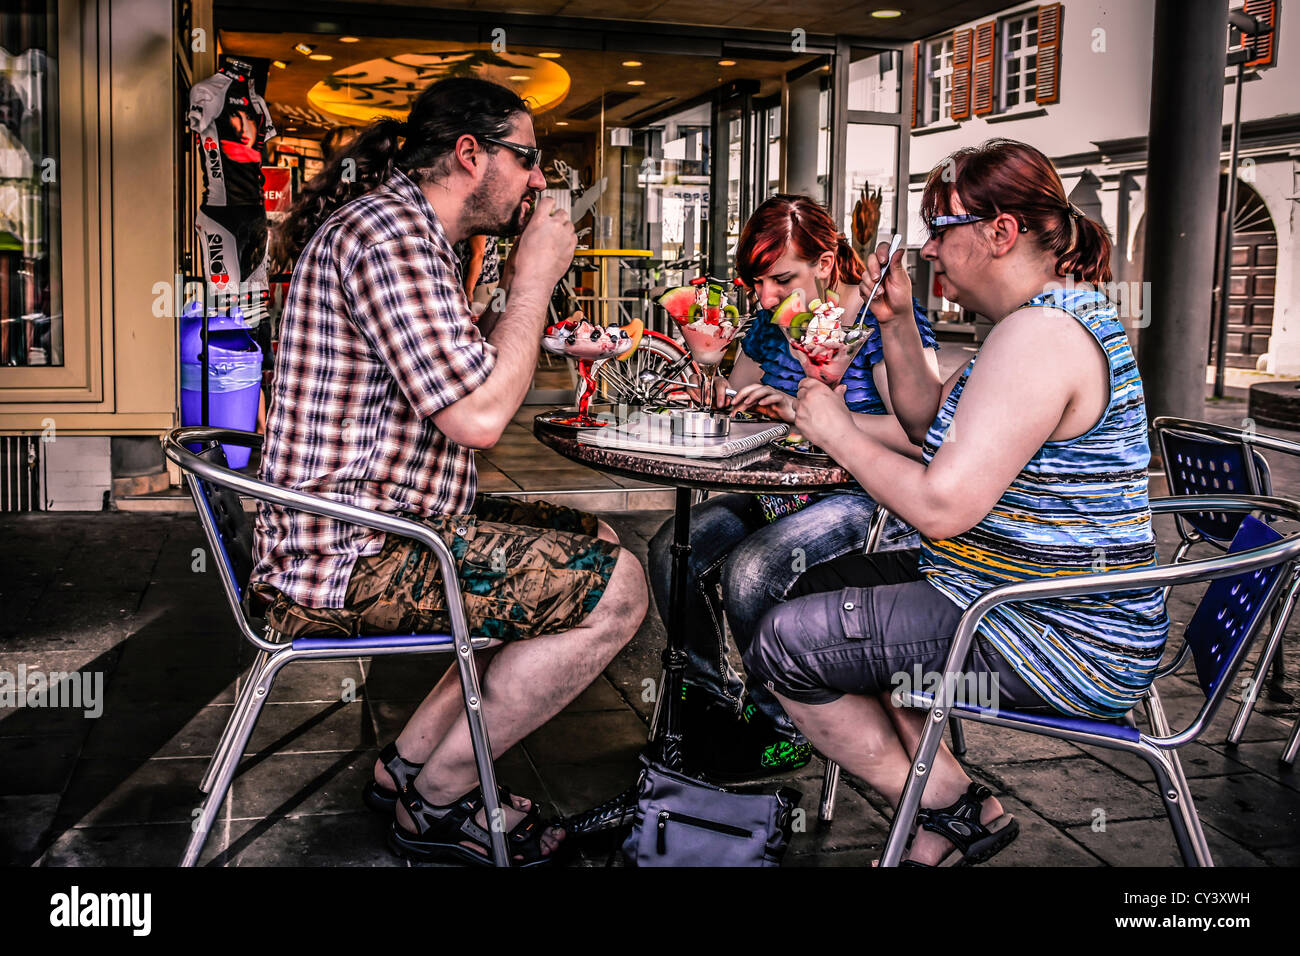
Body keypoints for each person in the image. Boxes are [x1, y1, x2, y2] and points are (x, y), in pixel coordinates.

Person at [249, 77, 648, 866]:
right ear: (471, 154)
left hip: (382, 526)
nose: (538, 180)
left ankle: (406, 770)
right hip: (353, 553)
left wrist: (522, 317)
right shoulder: (391, 241)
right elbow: (477, 419)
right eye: (528, 159)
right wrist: (532, 278)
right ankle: (441, 799)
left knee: (596, 538)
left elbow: (460, 372)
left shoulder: (408, 234)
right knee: (620, 589)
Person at [742, 139, 1168, 865]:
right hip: (1013, 592)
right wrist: (897, 320)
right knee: (816, 589)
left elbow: (940, 506)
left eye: (939, 230)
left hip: (1052, 631)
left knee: (785, 643)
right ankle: (945, 815)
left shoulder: (1041, 337)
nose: (928, 253)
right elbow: (923, 424)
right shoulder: (1043, 321)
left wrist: (836, 432)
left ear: (1000, 232)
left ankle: (952, 806)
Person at [646, 194, 939, 781]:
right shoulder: (771, 326)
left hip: (865, 498)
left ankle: (779, 724)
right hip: (783, 490)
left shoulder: (875, 325)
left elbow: (919, 437)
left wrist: (811, 418)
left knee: (754, 569)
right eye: (758, 283)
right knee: (673, 547)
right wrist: (710, 397)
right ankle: (708, 700)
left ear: (827, 263)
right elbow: (735, 396)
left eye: (782, 278)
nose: (768, 297)